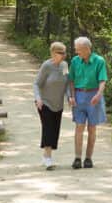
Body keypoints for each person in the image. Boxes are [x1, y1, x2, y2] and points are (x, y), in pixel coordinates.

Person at [68, 36, 107, 169]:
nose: (76, 52)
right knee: (79, 127)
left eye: (78, 50)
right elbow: (71, 80)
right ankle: (77, 158)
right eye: (76, 49)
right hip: (79, 95)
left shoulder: (99, 61)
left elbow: (102, 80)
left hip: (93, 96)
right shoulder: (75, 61)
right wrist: (72, 96)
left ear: (87, 49)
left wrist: (98, 94)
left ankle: (88, 158)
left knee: (92, 128)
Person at [33, 41, 70, 170]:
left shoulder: (64, 65)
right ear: (54, 53)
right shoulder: (46, 66)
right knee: (48, 128)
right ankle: (48, 158)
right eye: (61, 53)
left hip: (58, 103)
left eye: (64, 53)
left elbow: (66, 84)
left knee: (54, 131)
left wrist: (70, 97)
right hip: (45, 102)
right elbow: (36, 84)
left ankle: (45, 155)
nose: (64, 55)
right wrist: (38, 99)